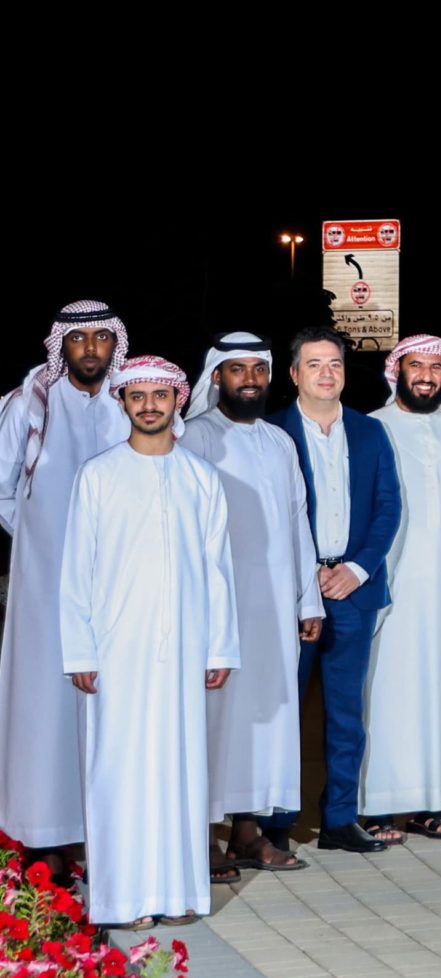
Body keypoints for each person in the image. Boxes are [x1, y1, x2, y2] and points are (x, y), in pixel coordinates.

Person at [59, 356, 237, 929]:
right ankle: (122, 899)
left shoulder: (201, 478)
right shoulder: (99, 475)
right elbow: (76, 572)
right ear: (124, 403)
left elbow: (218, 571)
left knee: (181, 765)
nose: (150, 405)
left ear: (177, 400)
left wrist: (219, 648)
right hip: (116, 648)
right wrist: (80, 651)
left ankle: (180, 891)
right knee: (120, 767)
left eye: (161, 395)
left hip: (185, 648)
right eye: (138, 396)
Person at [178, 334, 321, 875]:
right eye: (236, 370)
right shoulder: (193, 437)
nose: (249, 380)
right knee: (217, 719)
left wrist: (309, 600)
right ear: (216, 377)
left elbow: (296, 524)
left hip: (273, 606)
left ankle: (246, 832)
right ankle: (202, 837)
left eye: (257, 370)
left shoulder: (279, 442)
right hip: (218, 607)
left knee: (265, 721)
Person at [0, 300, 129, 856]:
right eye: (79, 339)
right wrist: (42, 541)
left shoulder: (135, 401)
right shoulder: (29, 403)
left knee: (114, 705)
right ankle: (45, 839)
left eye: (102, 337)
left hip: (122, 582)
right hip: (46, 584)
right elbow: (4, 490)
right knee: (45, 707)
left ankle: (105, 838)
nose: (92, 348)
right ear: (62, 346)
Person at [270, 327, 402, 854]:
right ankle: (274, 825)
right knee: (284, 710)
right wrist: (308, 577)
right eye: (315, 364)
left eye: (336, 364)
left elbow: (389, 507)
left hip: (354, 590)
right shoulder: (276, 432)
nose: (327, 373)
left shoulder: (369, 433)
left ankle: (340, 820)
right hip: (294, 594)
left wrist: (358, 569)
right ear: (294, 373)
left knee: (347, 714)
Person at [360, 334, 441, 843]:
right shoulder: (372, 428)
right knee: (387, 692)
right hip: (391, 585)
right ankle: (379, 807)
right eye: (417, 365)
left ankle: (428, 803)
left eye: (436, 366)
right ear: (397, 372)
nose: (427, 375)